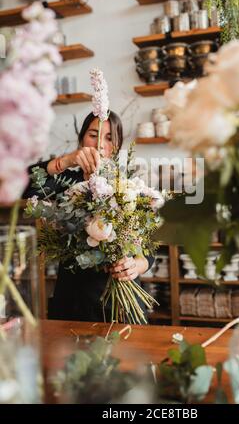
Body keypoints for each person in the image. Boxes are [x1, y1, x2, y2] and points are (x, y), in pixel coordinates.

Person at [23, 111, 153, 322]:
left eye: (109, 138)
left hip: (120, 304)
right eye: (93, 134)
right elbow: (21, 185)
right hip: (73, 301)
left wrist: (134, 266)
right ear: (82, 138)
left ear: (118, 145)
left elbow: (148, 249)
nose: (100, 144)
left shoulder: (129, 185)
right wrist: (64, 161)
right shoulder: (64, 181)